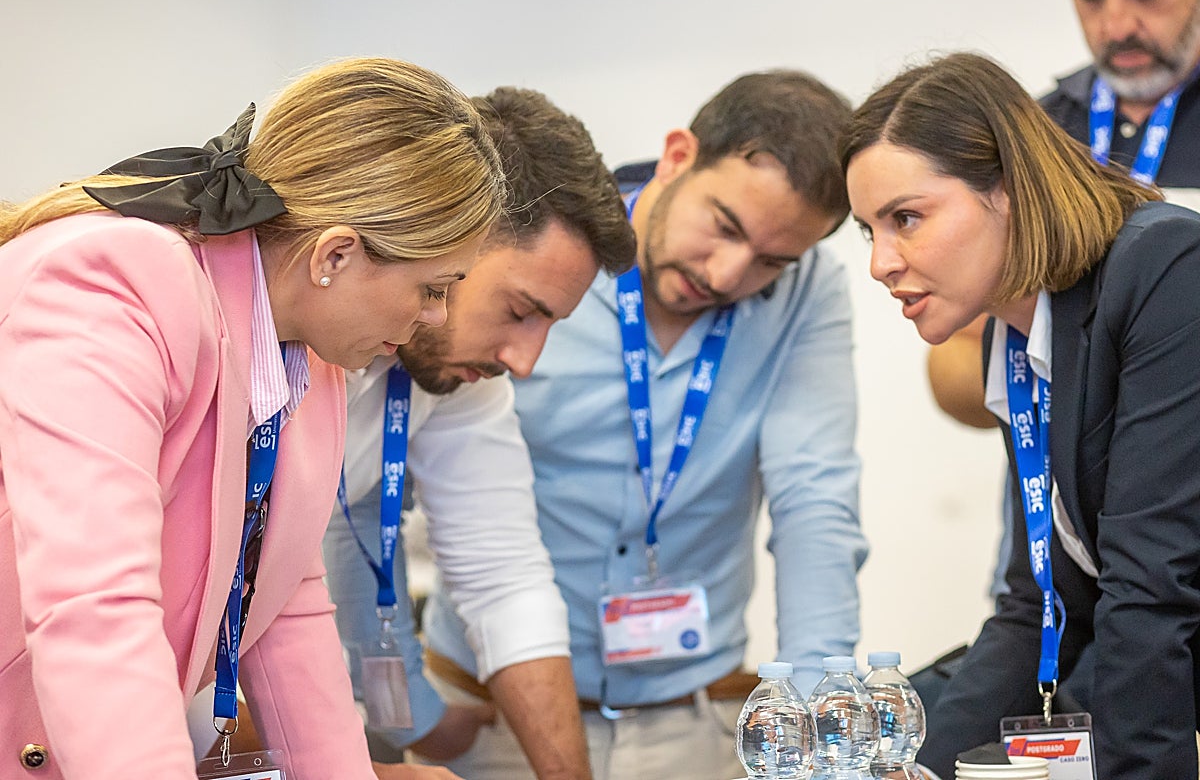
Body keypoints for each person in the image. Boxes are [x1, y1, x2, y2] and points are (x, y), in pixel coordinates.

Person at [0, 57, 506, 780]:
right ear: (335, 253)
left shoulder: (310, 361)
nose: (436, 317)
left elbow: (289, 608)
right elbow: (96, 607)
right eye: (431, 288)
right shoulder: (113, 285)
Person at [421, 70, 869, 780]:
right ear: (678, 156)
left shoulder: (810, 295)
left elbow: (815, 502)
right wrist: (409, 706)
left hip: (692, 715)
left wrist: (821, 743)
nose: (727, 274)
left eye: (772, 262)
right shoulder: (547, 251)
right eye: (724, 227)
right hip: (489, 714)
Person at [844, 50, 1200, 780]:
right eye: (868, 231)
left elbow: (1151, 592)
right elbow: (1037, 600)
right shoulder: (1007, 339)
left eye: (906, 218)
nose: (881, 262)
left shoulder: (1164, 266)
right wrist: (926, 770)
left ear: (1006, 187)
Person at [324, 86, 635, 780]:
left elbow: (504, 578)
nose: (524, 360)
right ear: (451, 239)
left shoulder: (460, 373)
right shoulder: (269, 346)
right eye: (520, 310)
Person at [925, 0, 1200, 603]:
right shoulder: (1036, 134)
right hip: (1057, 552)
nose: (1117, 26)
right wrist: (1083, 377)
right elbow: (955, 364)